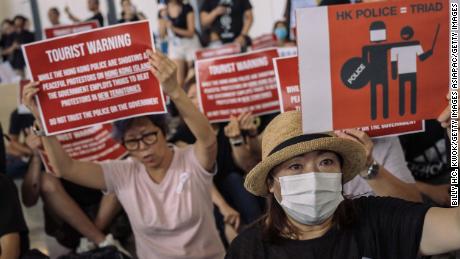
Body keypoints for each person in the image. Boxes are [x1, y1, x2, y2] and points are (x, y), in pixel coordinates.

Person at [22, 50, 225, 259]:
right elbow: (66, 169)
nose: (143, 148)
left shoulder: (189, 160)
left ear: (163, 132)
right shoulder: (124, 172)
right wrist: (44, 122)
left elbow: (208, 140)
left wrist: (174, 90)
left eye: (148, 136)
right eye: (132, 142)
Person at [225, 110, 460, 258]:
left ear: (341, 171)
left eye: (326, 162)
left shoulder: (377, 219)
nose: (314, 175)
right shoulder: (248, 250)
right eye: (295, 166)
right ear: (270, 183)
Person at [20, 132, 130, 254]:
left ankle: (92, 239)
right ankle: (100, 240)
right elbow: (29, 201)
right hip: (69, 223)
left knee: (123, 172)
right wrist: (36, 156)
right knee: (46, 181)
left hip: (111, 216)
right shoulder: (43, 130)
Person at [159, 0, 201, 89]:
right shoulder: (162, 12)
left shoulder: (187, 8)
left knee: (192, 76)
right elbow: (162, 35)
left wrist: (174, 29)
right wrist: (163, 19)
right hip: (175, 46)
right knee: (178, 81)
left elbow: (191, 33)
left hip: (190, 44)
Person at [5, 109, 35, 178]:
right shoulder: (18, 113)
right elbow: (12, 142)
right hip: (30, 152)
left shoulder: (46, 112)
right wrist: (30, 152)